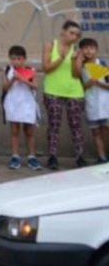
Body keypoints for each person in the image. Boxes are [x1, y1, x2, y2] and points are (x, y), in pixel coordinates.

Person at [43, 21, 87, 170]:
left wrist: (75, 60)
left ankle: (80, 157)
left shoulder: (77, 50)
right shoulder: (50, 45)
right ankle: (52, 157)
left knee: (76, 125)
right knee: (54, 124)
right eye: (71, 33)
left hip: (74, 91)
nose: (74, 37)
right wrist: (61, 58)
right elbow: (46, 68)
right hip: (53, 90)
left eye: (77, 34)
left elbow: (76, 74)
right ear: (63, 31)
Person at [3, 45, 40, 170]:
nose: (16, 62)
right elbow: (5, 87)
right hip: (13, 103)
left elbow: (35, 86)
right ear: (10, 59)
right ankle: (15, 156)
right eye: (13, 59)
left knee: (29, 131)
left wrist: (23, 79)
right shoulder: (7, 70)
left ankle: (32, 157)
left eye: (19, 59)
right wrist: (13, 78)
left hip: (27, 103)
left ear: (24, 59)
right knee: (14, 131)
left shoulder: (31, 70)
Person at [80, 37, 109, 166]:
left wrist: (99, 83)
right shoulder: (81, 66)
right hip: (91, 102)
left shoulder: (102, 64)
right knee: (96, 131)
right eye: (85, 48)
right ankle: (101, 156)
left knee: (106, 130)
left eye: (91, 48)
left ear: (96, 50)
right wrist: (88, 84)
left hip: (105, 102)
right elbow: (80, 87)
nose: (88, 51)